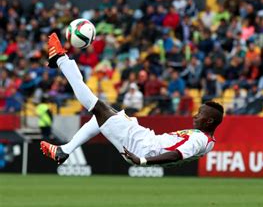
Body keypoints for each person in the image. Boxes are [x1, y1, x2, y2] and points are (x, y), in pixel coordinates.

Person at [40, 33, 224, 167]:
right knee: (102, 116)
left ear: (209, 120)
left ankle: (61, 59)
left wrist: (143, 160)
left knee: (96, 106)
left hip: (142, 148)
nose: (195, 115)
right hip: (145, 141)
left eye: (200, 114)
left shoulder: (200, 139)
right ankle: (65, 150)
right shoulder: (205, 140)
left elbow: (176, 155)